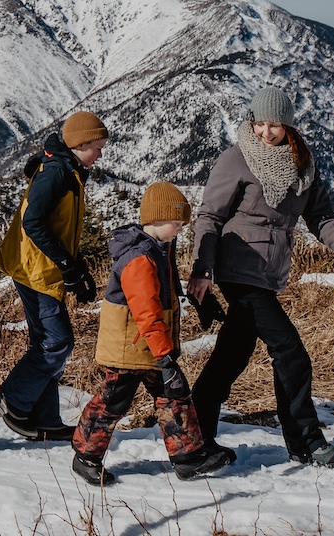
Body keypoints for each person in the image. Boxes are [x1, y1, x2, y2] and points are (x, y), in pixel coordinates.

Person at [187, 86, 334, 469]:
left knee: (231, 355)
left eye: (275, 125)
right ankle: (306, 442)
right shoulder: (236, 158)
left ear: (289, 126)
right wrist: (202, 269)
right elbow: (209, 217)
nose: (266, 132)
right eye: (260, 123)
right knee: (291, 353)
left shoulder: (302, 164)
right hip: (238, 269)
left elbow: (321, 217)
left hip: (269, 272)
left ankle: (194, 434)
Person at [70, 182, 236, 486]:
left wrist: (199, 301)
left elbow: (165, 294)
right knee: (113, 401)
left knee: (174, 397)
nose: (180, 229)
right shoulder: (139, 258)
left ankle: (188, 457)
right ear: (158, 219)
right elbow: (147, 314)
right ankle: (85, 456)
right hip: (130, 347)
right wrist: (166, 359)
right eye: (177, 223)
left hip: (149, 347)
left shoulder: (160, 249)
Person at [0, 111, 107, 441]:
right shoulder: (56, 171)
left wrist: (77, 268)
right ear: (80, 144)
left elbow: (61, 228)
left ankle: (45, 420)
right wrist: (68, 267)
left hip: (43, 269)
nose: (100, 154)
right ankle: (12, 400)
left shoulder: (69, 169)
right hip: (33, 271)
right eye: (97, 146)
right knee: (56, 341)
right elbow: (33, 222)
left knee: (52, 341)